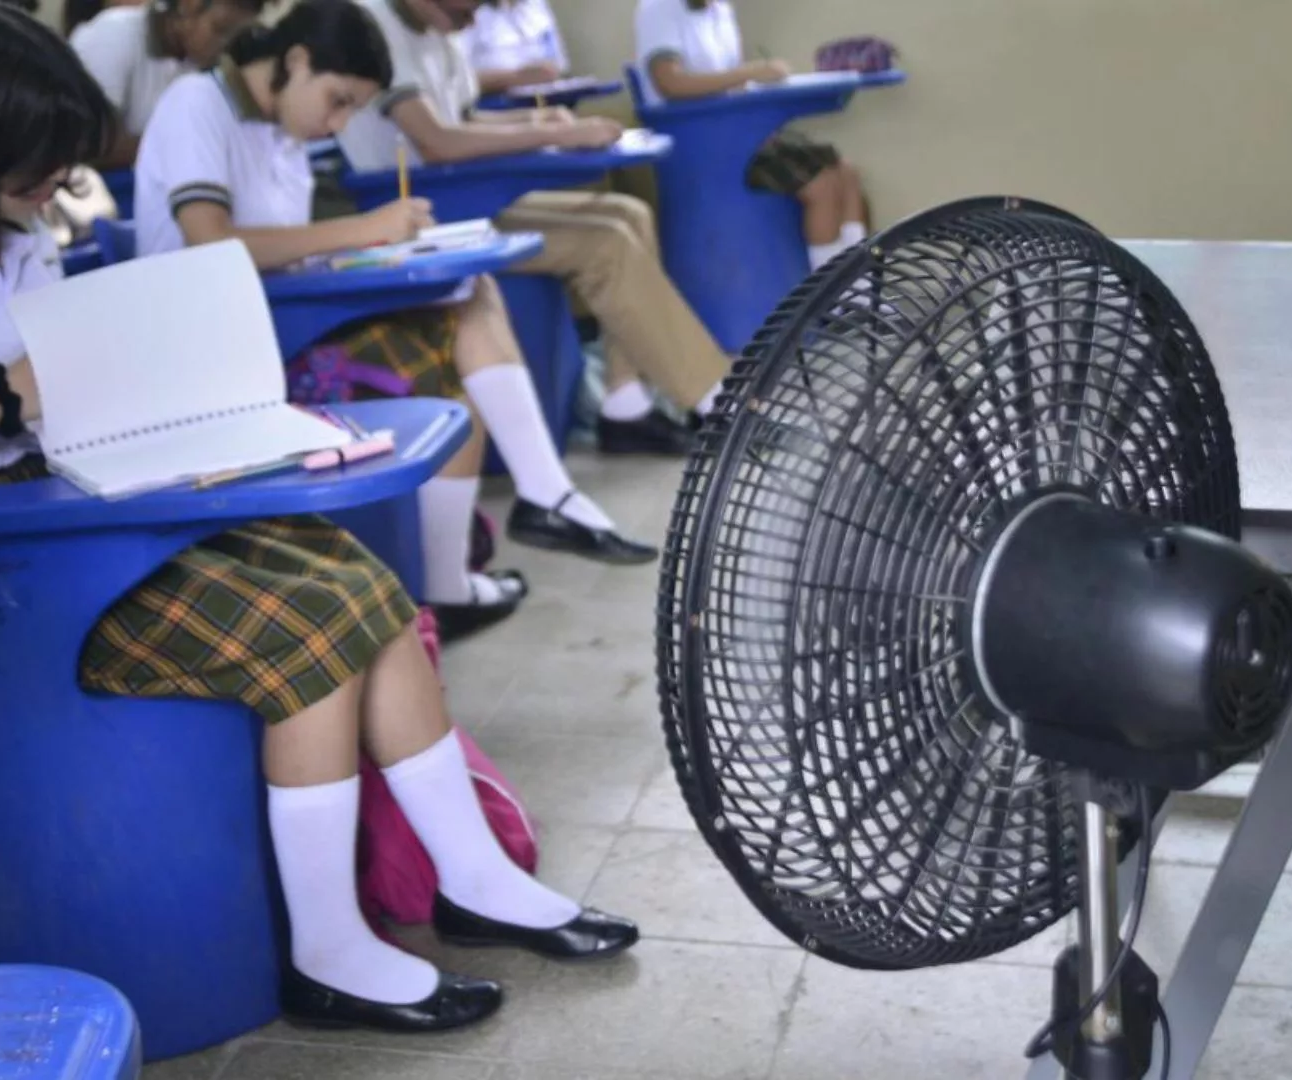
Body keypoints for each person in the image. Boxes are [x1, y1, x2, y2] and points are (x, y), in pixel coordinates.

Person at [0, 0, 639, 1031]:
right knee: (310, 628)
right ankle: (328, 949)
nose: (57, 188)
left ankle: (472, 875)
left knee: (353, 578)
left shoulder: (15, 242)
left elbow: (64, 398)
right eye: (37, 166)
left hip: (77, 511)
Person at [136, 0, 660, 635]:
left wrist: (379, 248)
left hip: (277, 323)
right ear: (296, 61)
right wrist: (362, 229)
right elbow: (210, 244)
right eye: (338, 100)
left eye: (351, 109)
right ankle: (508, 529)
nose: (338, 123)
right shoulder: (197, 104)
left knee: (468, 294)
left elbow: (290, 256)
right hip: (217, 354)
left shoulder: (283, 132)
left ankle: (522, 514)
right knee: (447, 355)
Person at [337, 0, 729, 458]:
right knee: (606, 243)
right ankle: (718, 403)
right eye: (471, 7)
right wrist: (552, 136)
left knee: (628, 213)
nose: (477, 17)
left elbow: (464, 121)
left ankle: (626, 405)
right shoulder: (378, 26)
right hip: (416, 215)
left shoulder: (439, 33)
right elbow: (438, 141)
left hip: (460, 201)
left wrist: (544, 120)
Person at [633, 0, 870, 273]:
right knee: (822, 183)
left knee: (846, 172)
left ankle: (859, 288)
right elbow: (670, 83)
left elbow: (732, 84)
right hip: (702, 146)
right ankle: (833, 300)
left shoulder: (720, 11)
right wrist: (752, 71)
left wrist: (757, 84)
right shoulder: (658, 9)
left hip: (741, 134)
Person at [71, 0, 269, 168]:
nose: (224, 44)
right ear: (188, 6)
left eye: (235, 36)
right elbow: (88, 143)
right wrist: (184, 146)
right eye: (220, 29)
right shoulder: (113, 36)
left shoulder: (206, 63)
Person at [464, 0, 566, 95]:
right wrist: (518, 78)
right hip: (495, 106)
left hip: (548, 99)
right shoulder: (468, 10)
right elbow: (459, 82)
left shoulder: (536, 5)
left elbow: (559, 65)